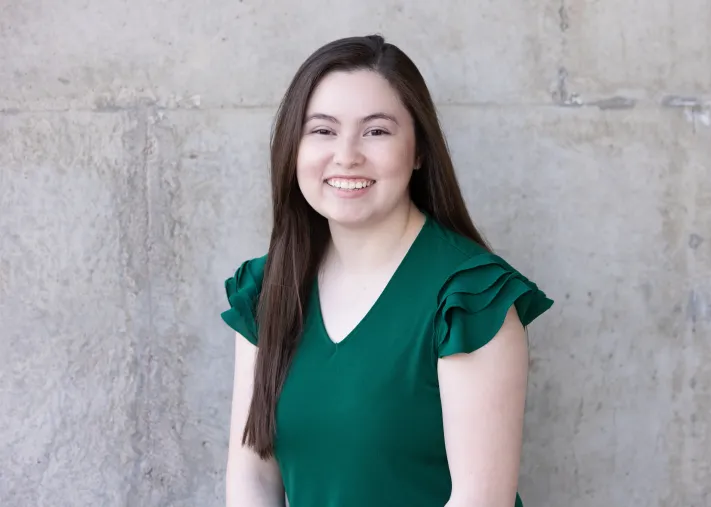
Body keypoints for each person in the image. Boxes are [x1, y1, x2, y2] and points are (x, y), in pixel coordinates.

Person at [221, 34, 553, 507]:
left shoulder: (469, 297)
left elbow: (479, 501)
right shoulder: (265, 289)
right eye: (322, 130)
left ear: (418, 151)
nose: (347, 154)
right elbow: (253, 479)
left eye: (376, 131)